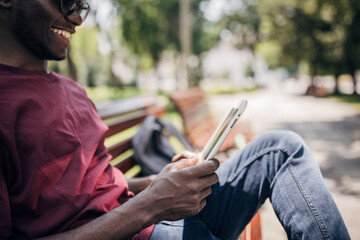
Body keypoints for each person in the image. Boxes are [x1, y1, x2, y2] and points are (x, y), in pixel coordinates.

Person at [0, 0, 350, 239]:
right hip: (140, 226)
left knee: (281, 148)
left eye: (82, 6)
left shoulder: (70, 90)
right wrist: (149, 207)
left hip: (150, 218)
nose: (76, 17)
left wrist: (160, 182)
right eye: (65, 1)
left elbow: (100, 187)